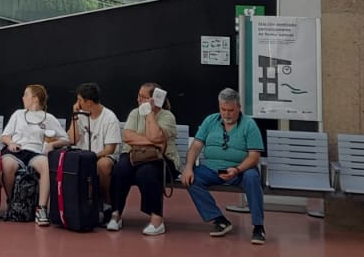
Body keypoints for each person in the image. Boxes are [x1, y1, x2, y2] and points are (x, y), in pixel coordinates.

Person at [181, 88, 266, 245]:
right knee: (192, 178)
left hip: (241, 170)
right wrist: (188, 167)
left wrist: (237, 169)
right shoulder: (210, 120)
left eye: (231, 110)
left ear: (239, 107)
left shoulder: (249, 125)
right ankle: (219, 220)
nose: (226, 114)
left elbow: (254, 157)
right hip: (212, 169)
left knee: (252, 177)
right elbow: (195, 147)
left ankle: (258, 227)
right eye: (223, 110)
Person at [107, 82, 179, 235]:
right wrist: (151, 141)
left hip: (161, 158)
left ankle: (156, 220)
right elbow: (127, 136)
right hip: (134, 153)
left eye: (144, 98)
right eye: (139, 96)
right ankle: (116, 214)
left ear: (155, 100)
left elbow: (157, 136)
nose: (139, 100)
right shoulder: (134, 113)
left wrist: (150, 114)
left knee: (146, 173)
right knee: (120, 169)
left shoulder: (167, 116)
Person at [0, 84, 67, 226]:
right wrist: (10, 143)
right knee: (7, 165)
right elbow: (4, 136)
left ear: (34, 98)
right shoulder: (18, 114)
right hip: (17, 150)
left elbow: (65, 139)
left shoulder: (49, 118)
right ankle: (13, 202)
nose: (23, 98)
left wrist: (52, 144)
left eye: (26, 95)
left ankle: (41, 209)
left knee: (46, 165)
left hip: (36, 152)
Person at [66, 82, 123, 209]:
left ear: (89, 103)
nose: (77, 103)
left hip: (102, 155)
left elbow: (110, 148)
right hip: (82, 154)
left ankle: (106, 202)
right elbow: (72, 140)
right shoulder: (80, 114)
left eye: (80, 100)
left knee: (103, 165)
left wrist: (92, 157)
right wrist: (75, 116)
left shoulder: (109, 118)